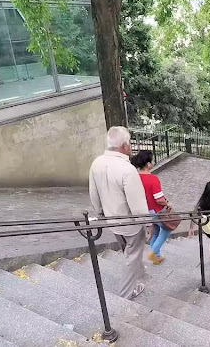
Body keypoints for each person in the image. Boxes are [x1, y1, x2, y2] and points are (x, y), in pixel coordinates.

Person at [89, 126, 148, 299]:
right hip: (131, 224)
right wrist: (148, 223)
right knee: (132, 255)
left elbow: (94, 193)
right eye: (129, 143)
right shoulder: (127, 169)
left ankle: (140, 269)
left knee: (127, 250)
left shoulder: (97, 163)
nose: (130, 146)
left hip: (111, 220)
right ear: (123, 146)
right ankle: (127, 293)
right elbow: (138, 206)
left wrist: (99, 212)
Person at [131, 150, 170, 265]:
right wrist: (168, 204)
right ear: (148, 164)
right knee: (167, 230)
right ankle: (153, 252)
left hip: (143, 210)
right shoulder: (152, 179)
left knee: (156, 230)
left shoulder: (134, 177)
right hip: (155, 210)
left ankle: (157, 257)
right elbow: (159, 199)